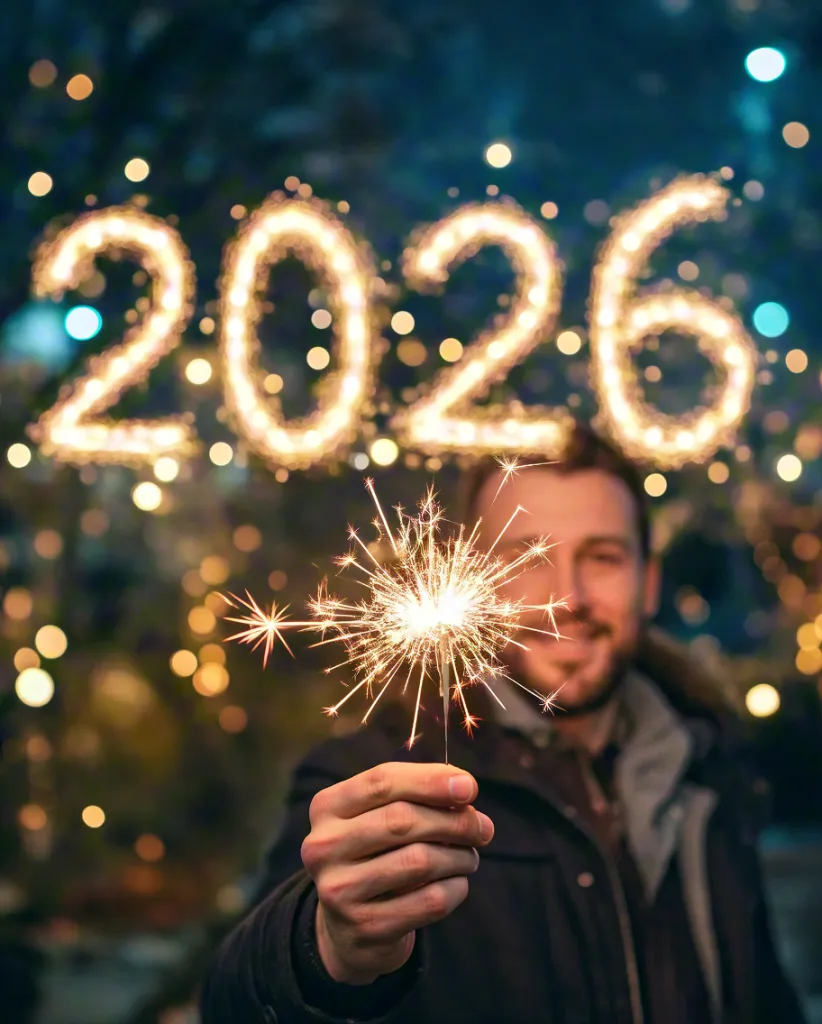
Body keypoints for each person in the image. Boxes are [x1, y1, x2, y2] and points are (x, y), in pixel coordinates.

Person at [200, 422, 806, 1024]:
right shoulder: (375, 778)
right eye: (527, 558)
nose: (568, 597)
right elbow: (234, 1004)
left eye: (603, 558)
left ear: (648, 585)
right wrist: (323, 948)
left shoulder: (710, 769)